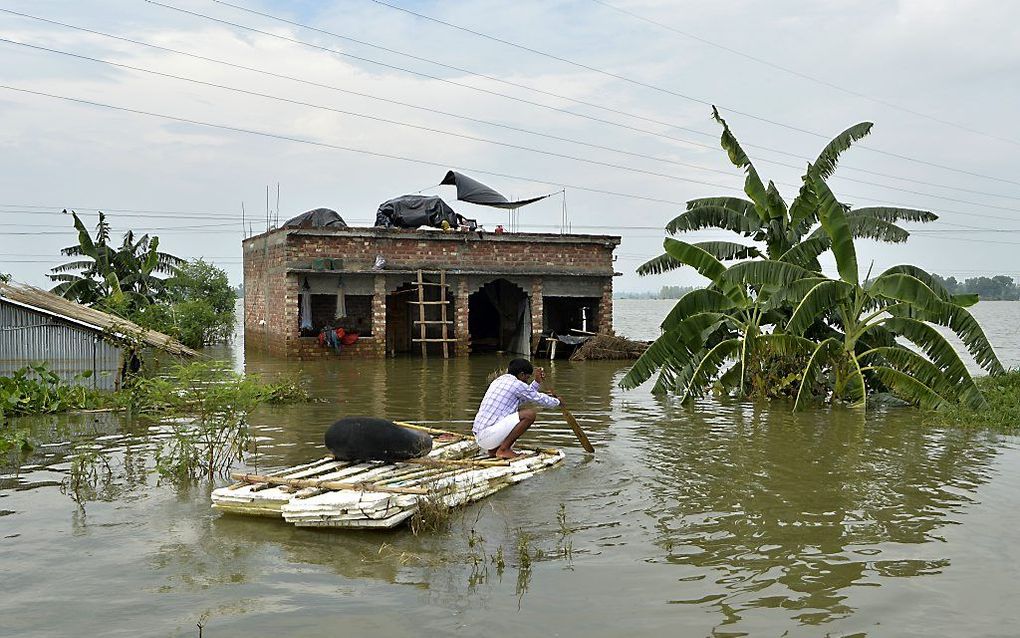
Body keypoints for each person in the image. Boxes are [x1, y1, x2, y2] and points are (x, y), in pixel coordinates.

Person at [472, 358, 561, 459]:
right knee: (529, 415)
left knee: (515, 415)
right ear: (521, 374)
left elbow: (525, 396)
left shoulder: (499, 380)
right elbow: (537, 398)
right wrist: (557, 402)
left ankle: (494, 451)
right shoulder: (516, 384)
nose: (526, 381)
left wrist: (537, 382)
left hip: (481, 437)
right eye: (526, 378)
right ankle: (503, 450)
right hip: (488, 436)